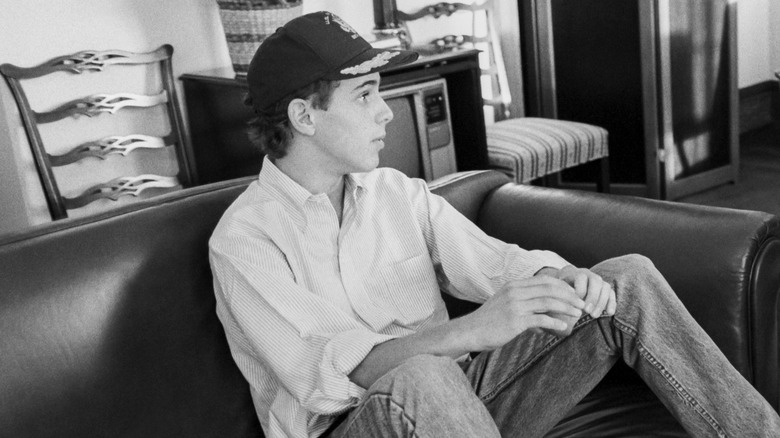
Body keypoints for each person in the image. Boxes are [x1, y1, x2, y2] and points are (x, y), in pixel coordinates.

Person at [209, 11, 780, 438]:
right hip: (357, 425)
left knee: (625, 278)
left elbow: (493, 263)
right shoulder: (245, 242)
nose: (384, 111)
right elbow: (330, 376)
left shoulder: (395, 193)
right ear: (304, 115)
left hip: (459, 407)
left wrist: (561, 278)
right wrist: (471, 331)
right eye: (364, 95)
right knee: (423, 375)